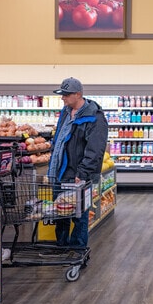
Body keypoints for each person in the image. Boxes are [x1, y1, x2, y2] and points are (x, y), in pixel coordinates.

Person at [48, 77, 108, 250]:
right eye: (62, 94)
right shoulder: (66, 112)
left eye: (66, 95)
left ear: (78, 94)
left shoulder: (94, 117)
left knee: (79, 215)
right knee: (60, 212)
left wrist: (82, 173)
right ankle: (61, 247)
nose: (63, 98)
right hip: (59, 171)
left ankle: (77, 250)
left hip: (76, 174)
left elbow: (95, 150)